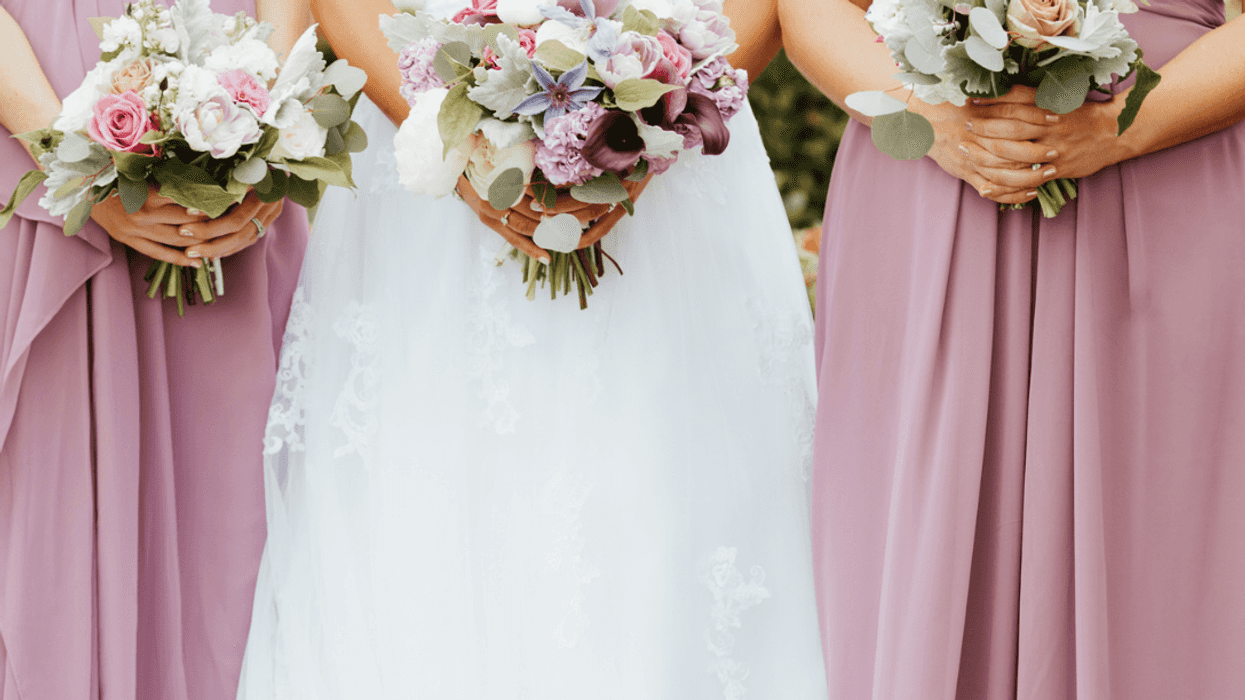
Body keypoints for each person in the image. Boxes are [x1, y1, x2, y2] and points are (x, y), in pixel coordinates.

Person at [236, 0, 828, 698]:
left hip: (673, 148)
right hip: (427, 126)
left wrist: (659, 115)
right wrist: (458, 146)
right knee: (429, 498)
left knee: (663, 489)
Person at [782, 0, 1245, 694]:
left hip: (1164, 162)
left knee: (1159, 521)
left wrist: (1121, 128)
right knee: (925, 529)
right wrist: (919, 115)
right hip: (929, 177)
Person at [0, 1, 311, 698]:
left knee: (227, 513)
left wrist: (275, 135)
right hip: (42, 123)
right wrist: (71, 165)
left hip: (235, 130)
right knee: (55, 505)